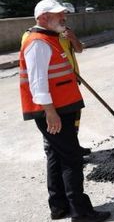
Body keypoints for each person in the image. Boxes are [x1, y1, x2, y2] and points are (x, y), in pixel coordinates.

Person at [19, 0, 110, 222]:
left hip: (62, 106)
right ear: (43, 18)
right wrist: (50, 112)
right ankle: (81, 212)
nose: (64, 17)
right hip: (54, 111)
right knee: (72, 159)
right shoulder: (38, 42)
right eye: (58, 14)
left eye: (63, 13)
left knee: (56, 155)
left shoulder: (53, 37)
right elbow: (37, 83)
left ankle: (59, 206)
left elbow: (74, 54)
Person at [22, 25, 91, 156]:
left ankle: (73, 147)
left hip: (71, 84)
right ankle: (52, 150)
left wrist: (73, 38)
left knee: (72, 122)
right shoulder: (32, 36)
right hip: (51, 90)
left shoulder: (65, 32)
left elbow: (79, 49)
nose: (62, 18)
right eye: (58, 14)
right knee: (53, 126)